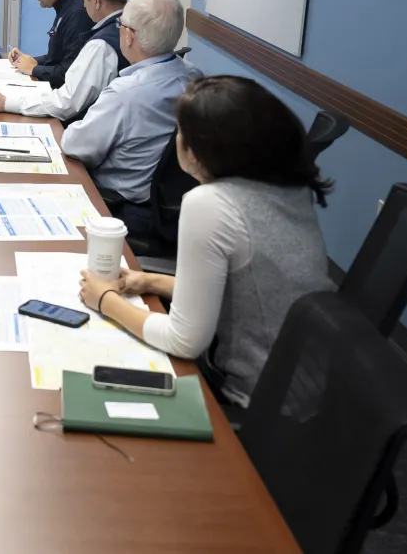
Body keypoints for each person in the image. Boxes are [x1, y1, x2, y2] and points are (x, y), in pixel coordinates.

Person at [79, 75, 334, 406]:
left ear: (199, 152)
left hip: (258, 397)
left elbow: (184, 341)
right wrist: (151, 281)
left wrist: (105, 299)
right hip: (311, 382)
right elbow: (251, 286)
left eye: (179, 132)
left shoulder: (210, 204)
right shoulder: (291, 188)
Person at [61, 0, 203, 236]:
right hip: (174, 209)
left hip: (122, 209)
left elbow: (75, 145)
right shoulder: (195, 77)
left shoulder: (125, 93)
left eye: (120, 24)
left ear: (129, 36)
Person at [0, 0, 127, 122]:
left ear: (95, 0)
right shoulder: (124, 28)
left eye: (84, 0)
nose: (84, 6)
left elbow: (68, 101)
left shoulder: (100, 44)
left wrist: (9, 103)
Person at [6, 0, 92, 89]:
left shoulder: (77, 14)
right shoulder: (66, 6)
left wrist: (34, 69)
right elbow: (58, 57)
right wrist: (30, 61)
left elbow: (68, 74)